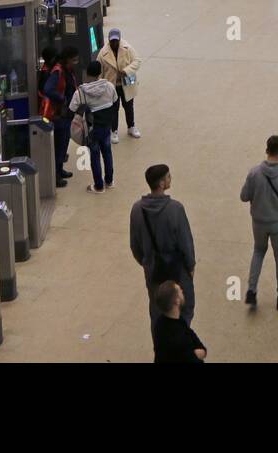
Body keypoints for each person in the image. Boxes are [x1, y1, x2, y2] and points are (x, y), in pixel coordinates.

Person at [130, 163, 197, 326]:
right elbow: (185, 242)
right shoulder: (175, 209)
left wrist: (147, 262)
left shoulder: (137, 209)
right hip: (177, 270)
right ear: (161, 184)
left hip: (153, 271)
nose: (170, 179)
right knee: (184, 309)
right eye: (168, 177)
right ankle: (180, 343)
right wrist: (190, 266)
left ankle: (161, 346)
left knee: (157, 311)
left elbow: (135, 246)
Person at [239, 135, 278, 311]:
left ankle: (251, 289)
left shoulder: (254, 172)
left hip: (258, 222)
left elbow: (243, 196)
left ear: (266, 150)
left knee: (258, 251)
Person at [71, 60, 118, 193]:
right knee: (107, 153)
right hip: (106, 126)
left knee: (95, 155)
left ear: (87, 73)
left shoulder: (81, 92)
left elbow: (71, 108)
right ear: (100, 73)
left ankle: (98, 186)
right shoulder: (109, 86)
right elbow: (114, 102)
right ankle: (109, 181)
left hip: (92, 130)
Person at [42, 47, 80, 187]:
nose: (76, 62)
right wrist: (61, 99)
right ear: (67, 59)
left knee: (64, 144)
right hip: (59, 114)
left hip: (67, 112)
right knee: (59, 145)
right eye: (74, 59)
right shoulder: (58, 72)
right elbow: (48, 89)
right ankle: (56, 176)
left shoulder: (68, 70)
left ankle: (60, 170)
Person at [97, 28, 142, 141]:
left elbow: (137, 61)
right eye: (112, 41)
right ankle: (114, 130)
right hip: (112, 85)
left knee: (129, 106)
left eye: (116, 40)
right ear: (109, 40)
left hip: (127, 81)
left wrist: (126, 71)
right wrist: (102, 85)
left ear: (120, 39)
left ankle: (131, 126)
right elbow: (99, 71)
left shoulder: (128, 48)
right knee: (113, 108)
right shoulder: (103, 53)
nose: (114, 43)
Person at [152, 281, 207, 363]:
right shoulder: (179, 338)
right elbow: (197, 355)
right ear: (177, 301)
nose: (182, 290)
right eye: (179, 290)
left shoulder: (161, 323)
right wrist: (197, 353)